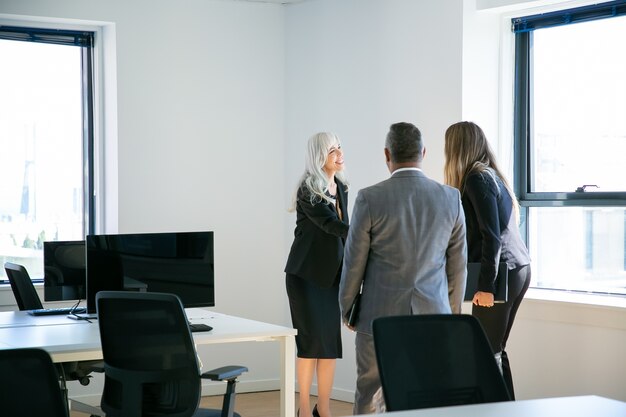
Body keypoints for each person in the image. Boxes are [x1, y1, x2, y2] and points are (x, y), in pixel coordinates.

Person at [339, 122, 467, 414]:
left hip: (377, 317)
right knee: (431, 396)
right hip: (434, 318)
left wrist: (348, 308)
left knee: (371, 395)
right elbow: (458, 268)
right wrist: (451, 314)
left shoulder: (369, 198)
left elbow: (353, 261)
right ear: (423, 152)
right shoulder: (451, 198)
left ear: (387, 154)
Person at [443, 121, 531, 399]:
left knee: (482, 351)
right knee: (493, 350)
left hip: (503, 273)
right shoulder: (491, 175)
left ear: (457, 147)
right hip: (518, 267)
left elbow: (491, 235)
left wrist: (486, 287)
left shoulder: (476, 178)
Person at [284, 132, 349, 417]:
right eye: (332, 150)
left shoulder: (342, 187)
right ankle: (301, 410)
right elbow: (332, 225)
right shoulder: (308, 189)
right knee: (310, 345)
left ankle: (323, 410)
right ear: (319, 156)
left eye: (339, 147)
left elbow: (343, 236)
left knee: (330, 346)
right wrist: (368, 232)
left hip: (331, 277)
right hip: (306, 277)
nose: (339, 153)